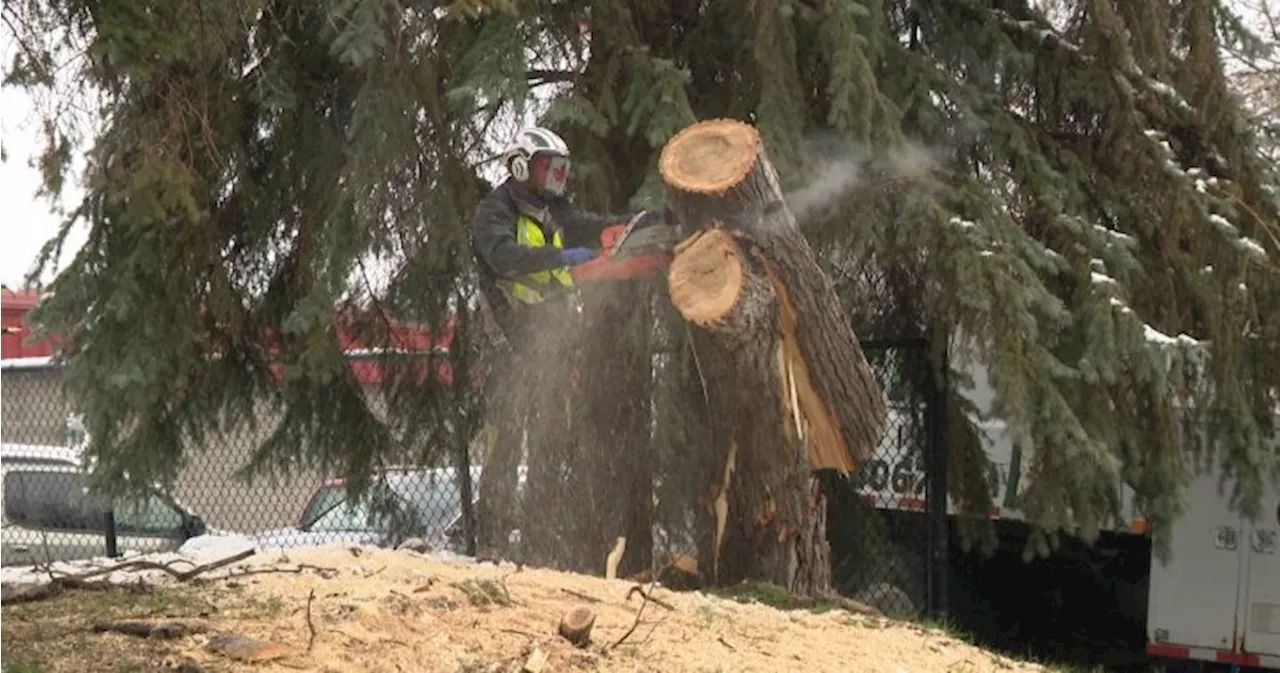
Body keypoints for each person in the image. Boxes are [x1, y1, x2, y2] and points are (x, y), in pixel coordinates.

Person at [466, 125, 656, 560]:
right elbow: (504, 257)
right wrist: (561, 257)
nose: (555, 177)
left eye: (560, 170)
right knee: (505, 441)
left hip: (548, 340)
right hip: (506, 339)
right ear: (520, 166)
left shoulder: (555, 210)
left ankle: (540, 545)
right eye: (547, 168)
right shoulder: (494, 212)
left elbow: (587, 227)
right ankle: (491, 544)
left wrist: (632, 225)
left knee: (550, 439)